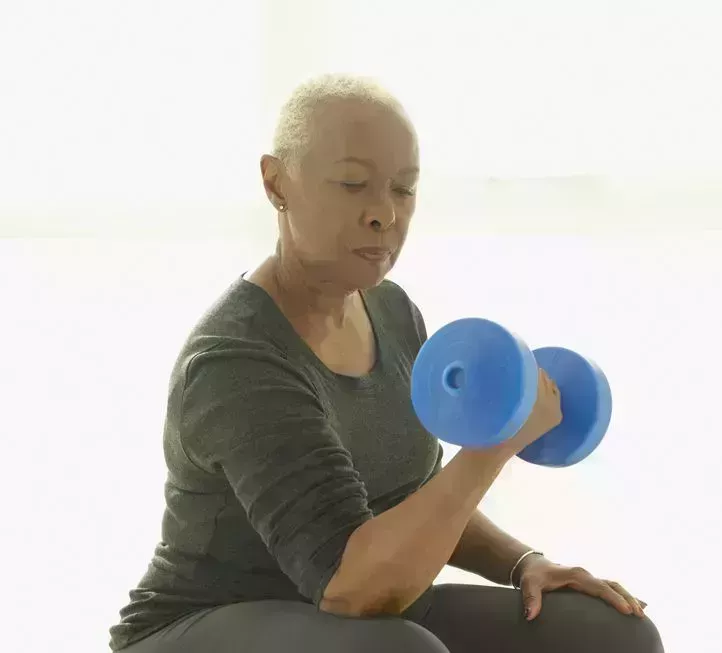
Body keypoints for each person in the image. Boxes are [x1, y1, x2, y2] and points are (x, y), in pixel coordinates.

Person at [108, 73, 664, 653]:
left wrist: (523, 562)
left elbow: (414, 502)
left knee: (611, 636)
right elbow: (352, 589)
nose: (383, 214)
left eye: (403, 189)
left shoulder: (391, 311)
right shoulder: (237, 361)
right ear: (277, 182)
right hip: (212, 623)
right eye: (353, 184)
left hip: (367, 615)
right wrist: (496, 445)